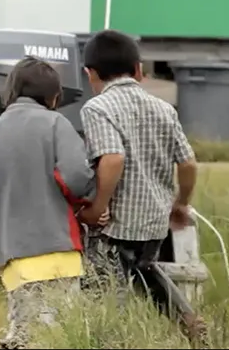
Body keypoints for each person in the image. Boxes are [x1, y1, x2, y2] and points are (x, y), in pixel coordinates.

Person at [0, 57, 95, 350]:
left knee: (26, 329)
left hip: (15, 259)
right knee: (57, 336)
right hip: (59, 254)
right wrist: (87, 201)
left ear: (9, 93)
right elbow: (76, 178)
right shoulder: (57, 124)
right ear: (54, 97)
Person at [75, 29, 208, 345]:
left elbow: (113, 158)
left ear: (90, 73)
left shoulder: (97, 108)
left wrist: (96, 208)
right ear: (138, 69)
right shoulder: (164, 108)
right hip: (154, 222)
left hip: (116, 224)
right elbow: (188, 163)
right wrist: (181, 203)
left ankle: (115, 339)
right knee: (144, 267)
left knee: (108, 292)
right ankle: (188, 319)